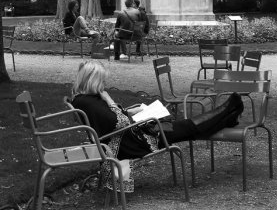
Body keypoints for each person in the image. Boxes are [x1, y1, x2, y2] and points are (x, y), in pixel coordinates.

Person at [71, 60, 244, 192]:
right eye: (102, 81)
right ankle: (227, 111)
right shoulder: (89, 102)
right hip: (131, 143)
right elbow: (119, 122)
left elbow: (112, 120)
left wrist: (130, 113)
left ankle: (227, 114)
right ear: (93, 81)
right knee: (187, 129)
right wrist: (110, 101)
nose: (104, 85)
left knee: (184, 128)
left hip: (130, 137)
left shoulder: (84, 99)